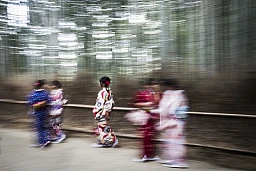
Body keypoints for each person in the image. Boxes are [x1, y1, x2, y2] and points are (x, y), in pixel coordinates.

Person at [151, 78, 189, 168]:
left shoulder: (178, 94)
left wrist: (161, 113)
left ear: (170, 86)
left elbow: (172, 109)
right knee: (170, 141)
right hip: (171, 121)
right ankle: (172, 159)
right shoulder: (172, 94)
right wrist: (154, 111)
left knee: (176, 142)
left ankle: (179, 161)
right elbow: (165, 108)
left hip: (176, 121)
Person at [125, 78, 161, 162]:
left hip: (154, 117)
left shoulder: (158, 94)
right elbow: (136, 103)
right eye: (153, 84)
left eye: (157, 84)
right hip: (145, 117)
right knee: (146, 136)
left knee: (152, 136)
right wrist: (146, 105)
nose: (155, 86)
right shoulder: (142, 93)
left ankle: (151, 155)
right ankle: (145, 155)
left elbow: (159, 105)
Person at [91, 76, 118, 147]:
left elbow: (100, 104)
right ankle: (108, 140)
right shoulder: (109, 92)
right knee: (104, 127)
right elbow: (111, 103)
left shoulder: (102, 92)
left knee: (102, 127)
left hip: (102, 112)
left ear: (102, 84)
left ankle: (108, 141)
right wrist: (108, 111)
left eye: (100, 82)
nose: (99, 84)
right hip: (106, 111)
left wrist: (97, 112)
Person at [27, 79, 51, 148]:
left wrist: (36, 105)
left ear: (36, 86)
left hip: (37, 113)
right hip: (45, 112)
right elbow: (48, 100)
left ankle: (42, 142)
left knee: (39, 128)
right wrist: (43, 103)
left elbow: (31, 103)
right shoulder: (46, 93)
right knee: (44, 126)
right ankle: (46, 139)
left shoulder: (32, 94)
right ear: (42, 85)